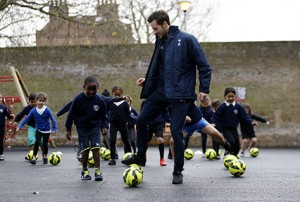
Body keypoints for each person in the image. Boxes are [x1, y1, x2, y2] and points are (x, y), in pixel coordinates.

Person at [121, 10, 212, 185]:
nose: (154, 31)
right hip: (161, 91)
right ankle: (140, 157)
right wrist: (148, 80)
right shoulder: (160, 41)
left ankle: (178, 171)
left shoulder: (186, 40)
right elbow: (163, 67)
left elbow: (204, 66)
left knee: (176, 133)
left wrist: (204, 89)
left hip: (180, 93)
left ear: (165, 24)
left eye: (155, 28)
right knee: (141, 121)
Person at [65, 76, 108, 181]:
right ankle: (84, 171)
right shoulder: (78, 99)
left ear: (98, 87)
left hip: (94, 126)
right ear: (84, 87)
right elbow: (71, 114)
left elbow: (104, 115)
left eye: (95, 89)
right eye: (89, 89)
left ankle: (97, 171)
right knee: (85, 148)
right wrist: (68, 129)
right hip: (82, 127)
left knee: (96, 147)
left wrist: (104, 126)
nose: (92, 91)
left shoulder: (100, 100)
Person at [211, 87, 254, 156]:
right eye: (229, 97)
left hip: (234, 128)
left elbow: (244, 116)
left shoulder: (238, 106)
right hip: (225, 128)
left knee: (237, 147)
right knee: (232, 142)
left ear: (235, 97)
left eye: (232, 96)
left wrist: (251, 122)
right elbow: (215, 116)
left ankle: (232, 155)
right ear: (225, 97)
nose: (230, 98)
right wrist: (213, 123)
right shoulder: (222, 106)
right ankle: (225, 148)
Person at [16, 92, 57, 165]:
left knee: (44, 145)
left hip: (46, 130)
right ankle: (34, 157)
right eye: (39, 101)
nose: (41, 102)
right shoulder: (33, 110)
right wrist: (19, 126)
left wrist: (55, 128)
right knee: (37, 142)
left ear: (45, 102)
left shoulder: (47, 110)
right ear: (36, 101)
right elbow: (26, 119)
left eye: (43, 101)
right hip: (38, 129)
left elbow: (52, 118)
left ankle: (45, 156)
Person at [107, 85, 132, 166]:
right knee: (112, 140)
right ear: (113, 93)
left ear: (121, 94)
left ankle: (129, 156)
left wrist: (127, 121)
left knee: (126, 141)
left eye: (119, 94)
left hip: (122, 124)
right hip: (113, 124)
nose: (117, 96)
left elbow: (128, 114)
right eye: (115, 94)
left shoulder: (124, 103)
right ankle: (112, 158)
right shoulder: (110, 102)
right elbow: (106, 112)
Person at [13, 94, 41, 160]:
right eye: (31, 102)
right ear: (29, 101)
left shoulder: (40, 108)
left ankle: (44, 155)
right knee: (31, 140)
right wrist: (16, 121)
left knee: (41, 142)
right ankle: (30, 154)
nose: (33, 103)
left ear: (37, 101)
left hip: (39, 127)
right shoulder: (27, 108)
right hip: (31, 126)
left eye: (34, 102)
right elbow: (20, 114)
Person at [143, 101, 171, 166]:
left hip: (158, 124)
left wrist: (168, 121)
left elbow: (166, 111)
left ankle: (162, 159)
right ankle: (142, 156)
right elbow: (142, 112)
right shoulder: (146, 102)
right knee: (145, 141)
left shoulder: (161, 101)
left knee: (160, 140)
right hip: (148, 124)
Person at [0, 94, 15, 161]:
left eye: (0, 97)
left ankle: (1, 154)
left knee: (0, 141)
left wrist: (11, 116)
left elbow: (8, 115)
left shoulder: (3, 108)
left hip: (1, 127)